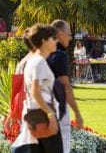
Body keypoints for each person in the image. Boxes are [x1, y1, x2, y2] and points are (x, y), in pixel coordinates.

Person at [11, 24, 62, 153]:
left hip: (35, 113)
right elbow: (35, 91)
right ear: (44, 41)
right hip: (42, 113)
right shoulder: (39, 62)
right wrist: (50, 114)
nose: (56, 41)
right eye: (53, 38)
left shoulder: (33, 60)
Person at [48, 19, 84, 153]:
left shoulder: (41, 53)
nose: (70, 38)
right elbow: (65, 86)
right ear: (59, 33)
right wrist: (77, 112)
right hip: (57, 106)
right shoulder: (59, 54)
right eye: (68, 34)